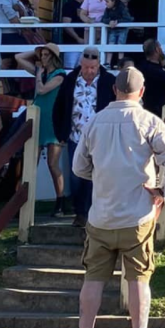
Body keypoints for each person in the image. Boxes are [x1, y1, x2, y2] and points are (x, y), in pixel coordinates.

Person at [72, 67, 165, 328]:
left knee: (93, 280)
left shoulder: (94, 122)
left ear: (114, 90)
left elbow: (78, 167)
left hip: (101, 216)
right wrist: (164, 191)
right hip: (138, 215)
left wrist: (99, 176)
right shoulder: (149, 121)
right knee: (138, 280)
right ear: (142, 91)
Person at [53, 46, 116, 228]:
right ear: (80, 64)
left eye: (93, 68)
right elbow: (59, 107)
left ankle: (91, 213)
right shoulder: (70, 80)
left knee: (96, 176)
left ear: (98, 66)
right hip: (75, 137)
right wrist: (61, 133)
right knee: (76, 176)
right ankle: (79, 211)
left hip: (101, 138)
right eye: (86, 67)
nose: (89, 71)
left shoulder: (108, 81)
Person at [15, 44, 66, 218]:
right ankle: (21, 202)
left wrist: (38, 74)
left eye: (45, 55)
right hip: (37, 120)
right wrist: (36, 51)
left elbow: (42, 89)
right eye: (42, 54)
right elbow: (18, 57)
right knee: (31, 163)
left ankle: (59, 202)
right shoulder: (41, 72)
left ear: (53, 57)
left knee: (53, 164)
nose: (42, 58)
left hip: (52, 122)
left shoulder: (60, 75)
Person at [136, 39, 165, 118]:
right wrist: (164, 62)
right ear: (157, 50)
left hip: (147, 107)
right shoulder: (155, 70)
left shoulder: (141, 67)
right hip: (158, 109)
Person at [60, 0, 91, 70]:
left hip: (85, 43)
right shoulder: (69, 5)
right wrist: (77, 38)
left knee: (83, 69)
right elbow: (66, 24)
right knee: (70, 68)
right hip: (71, 44)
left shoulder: (86, 7)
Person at [101, 0, 133, 67]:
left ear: (113, 1)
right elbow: (103, 19)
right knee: (110, 44)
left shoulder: (122, 8)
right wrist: (109, 22)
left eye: (107, 1)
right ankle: (108, 63)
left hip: (122, 30)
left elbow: (128, 19)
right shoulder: (107, 10)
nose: (106, 3)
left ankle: (120, 63)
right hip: (112, 31)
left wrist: (117, 22)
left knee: (120, 45)